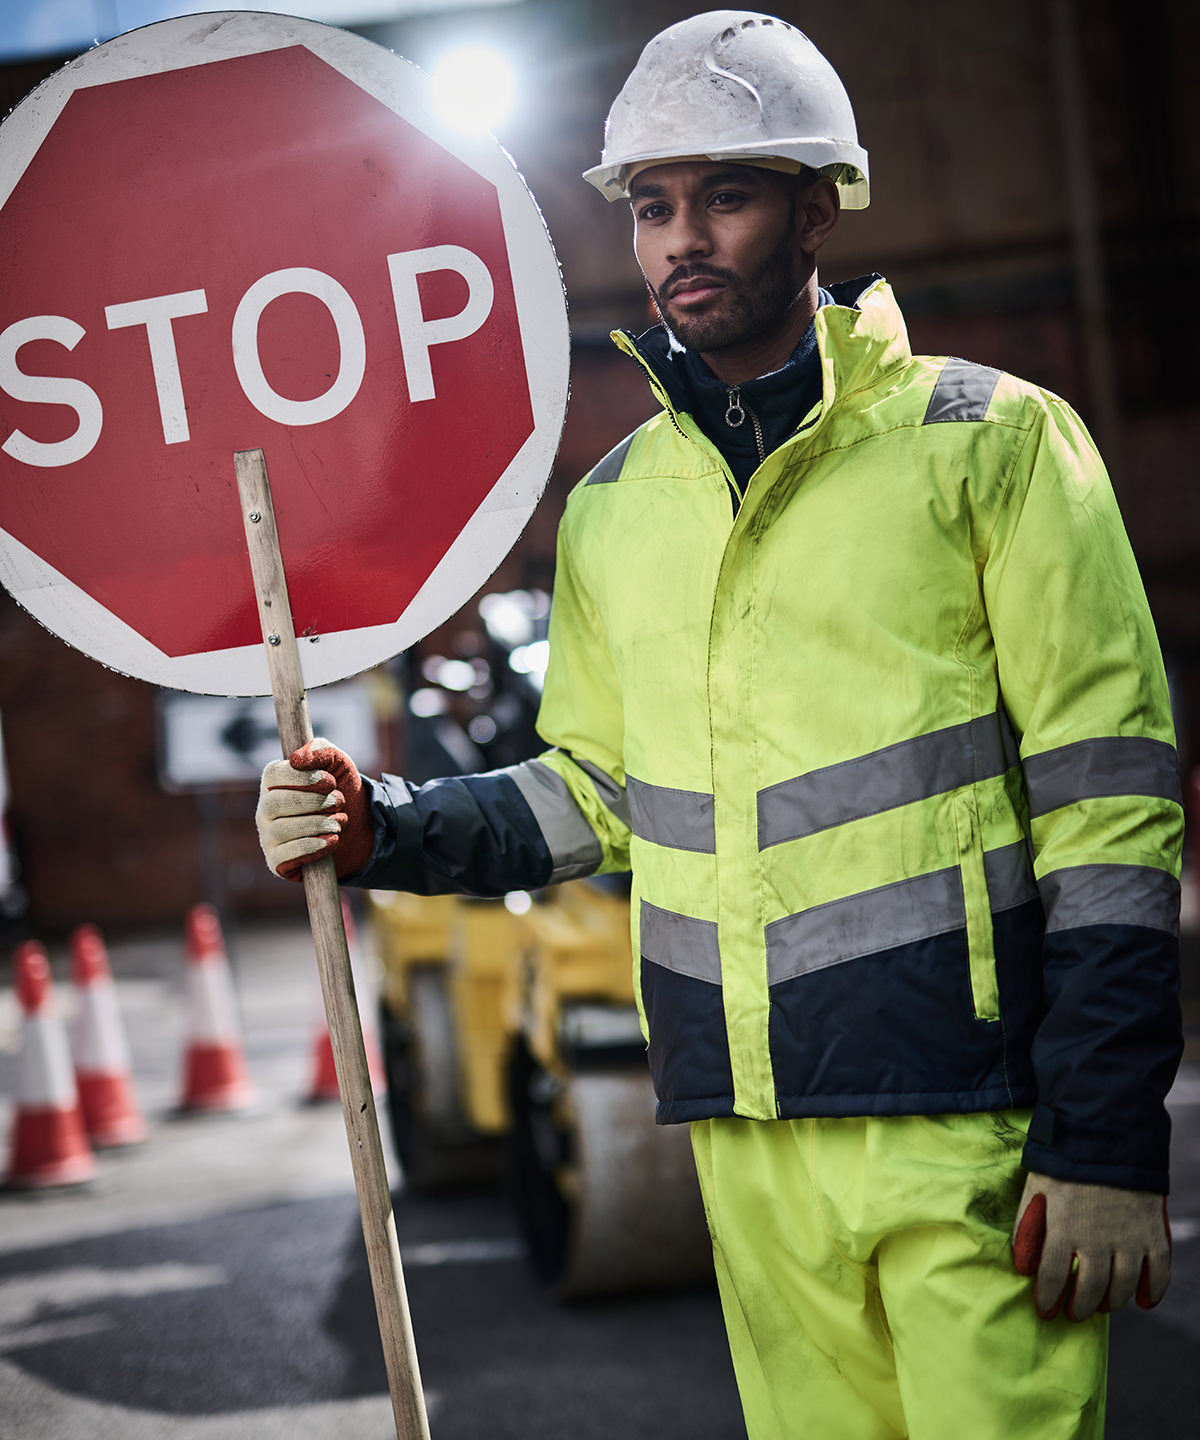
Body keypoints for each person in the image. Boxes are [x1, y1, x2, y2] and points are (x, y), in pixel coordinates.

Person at [256, 12, 1184, 1438]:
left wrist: (1110, 1140)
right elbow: (596, 794)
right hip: (744, 1139)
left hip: (971, 1127)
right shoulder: (621, 507)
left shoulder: (991, 445)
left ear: (817, 208)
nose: (681, 237)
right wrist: (383, 823)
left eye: (725, 195)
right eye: (650, 205)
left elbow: (1110, 813)